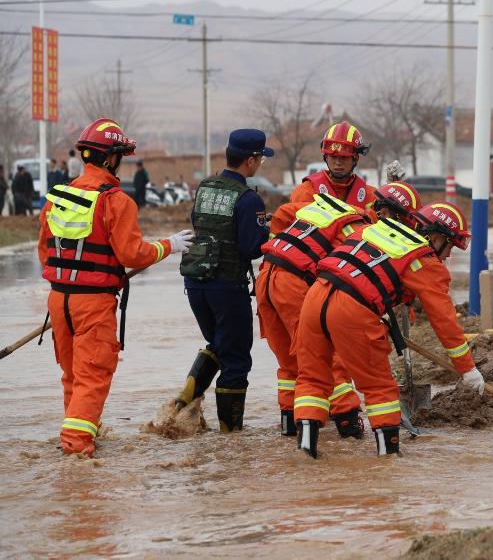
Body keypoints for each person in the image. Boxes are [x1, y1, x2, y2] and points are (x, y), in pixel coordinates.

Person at [37, 118, 193, 456]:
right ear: (111, 159)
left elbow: (44, 250)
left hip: (59, 300)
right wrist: (169, 245)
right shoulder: (117, 202)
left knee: (74, 377)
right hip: (93, 304)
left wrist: (67, 283)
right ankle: (77, 453)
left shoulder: (58, 197)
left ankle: (77, 434)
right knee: (92, 376)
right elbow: (131, 254)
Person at [292, 201, 484, 458]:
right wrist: (467, 368)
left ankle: (305, 451)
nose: (448, 255)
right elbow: (445, 321)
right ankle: (389, 458)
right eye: (450, 247)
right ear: (437, 237)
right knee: (379, 387)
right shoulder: (425, 261)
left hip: (315, 296)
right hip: (352, 309)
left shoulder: (373, 229)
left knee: (312, 377)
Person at [257, 181, 423, 437]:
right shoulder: (359, 229)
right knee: (322, 355)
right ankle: (347, 422)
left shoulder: (341, 211)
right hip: (297, 286)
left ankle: (292, 426)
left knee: (292, 359)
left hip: (268, 276)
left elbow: (284, 214)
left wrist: (277, 241)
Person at [173, 129, 272, 432]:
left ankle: (181, 406)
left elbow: (200, 224)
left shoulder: (205, 187)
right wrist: (267, 230)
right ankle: (230, 438)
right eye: (260, 159)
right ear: (251, 161)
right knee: (236, 360)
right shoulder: (248, 199)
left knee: (218, 345)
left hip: (195, 285)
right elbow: (250, 248)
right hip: (227, 287)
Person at [288, 121, 375, 212]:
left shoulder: (371, 197)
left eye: (343, 157)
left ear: (355, 158)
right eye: (333, 157)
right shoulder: (305, 192)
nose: (338, 162)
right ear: (326, 157)